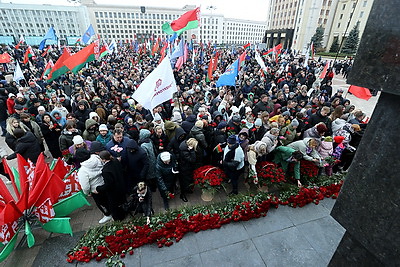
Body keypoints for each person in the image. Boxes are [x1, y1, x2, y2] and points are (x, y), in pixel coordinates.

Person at [76, 145, 110, 224]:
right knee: (110, 199)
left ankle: (108, 215)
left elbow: (85, 186)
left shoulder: (82, 171)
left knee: (102, 203)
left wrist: (87, 193)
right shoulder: (97, 157)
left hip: (96, 189)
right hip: (105, 182)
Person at [95, 150, 127, 221]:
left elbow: (109, 185)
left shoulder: (105, 171)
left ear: (103, 159)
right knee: (122, 202)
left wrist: (98, 188)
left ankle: (119, 218)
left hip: (114, 192)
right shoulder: (115, 161)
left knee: (114, 207)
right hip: (122, 186)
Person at [178, 138, 198, 202]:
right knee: (184, 182)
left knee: (188, 180)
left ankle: (187, 189)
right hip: (184, 168)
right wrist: (192, 151)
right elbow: (192, 160)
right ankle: (182, 194)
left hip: (187, 167)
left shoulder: (185, 148)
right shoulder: (185, 151)